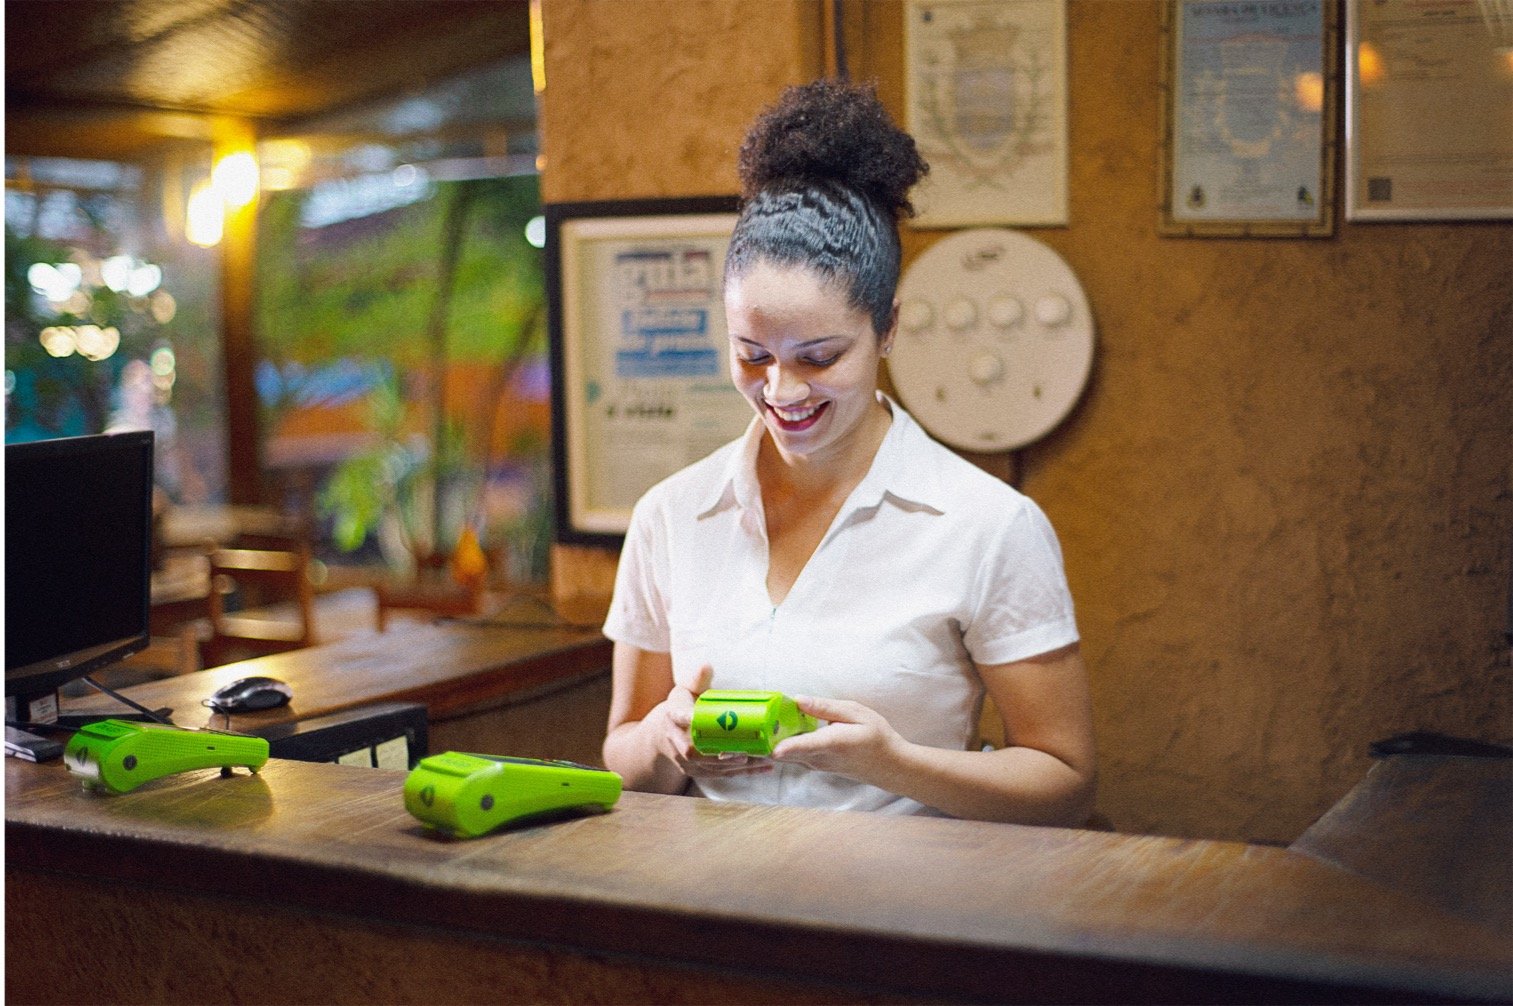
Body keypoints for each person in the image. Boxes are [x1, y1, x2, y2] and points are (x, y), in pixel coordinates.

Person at [601, 79, 1095, 825]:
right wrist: (664, 743)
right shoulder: (670, 516)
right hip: (706, 909)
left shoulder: (987, 524)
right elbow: (621, 750)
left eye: (818, 355)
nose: (782, 389)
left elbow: (1064, 780)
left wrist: (891, 763)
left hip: (897, 917)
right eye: (752, 354)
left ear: (888, 328)